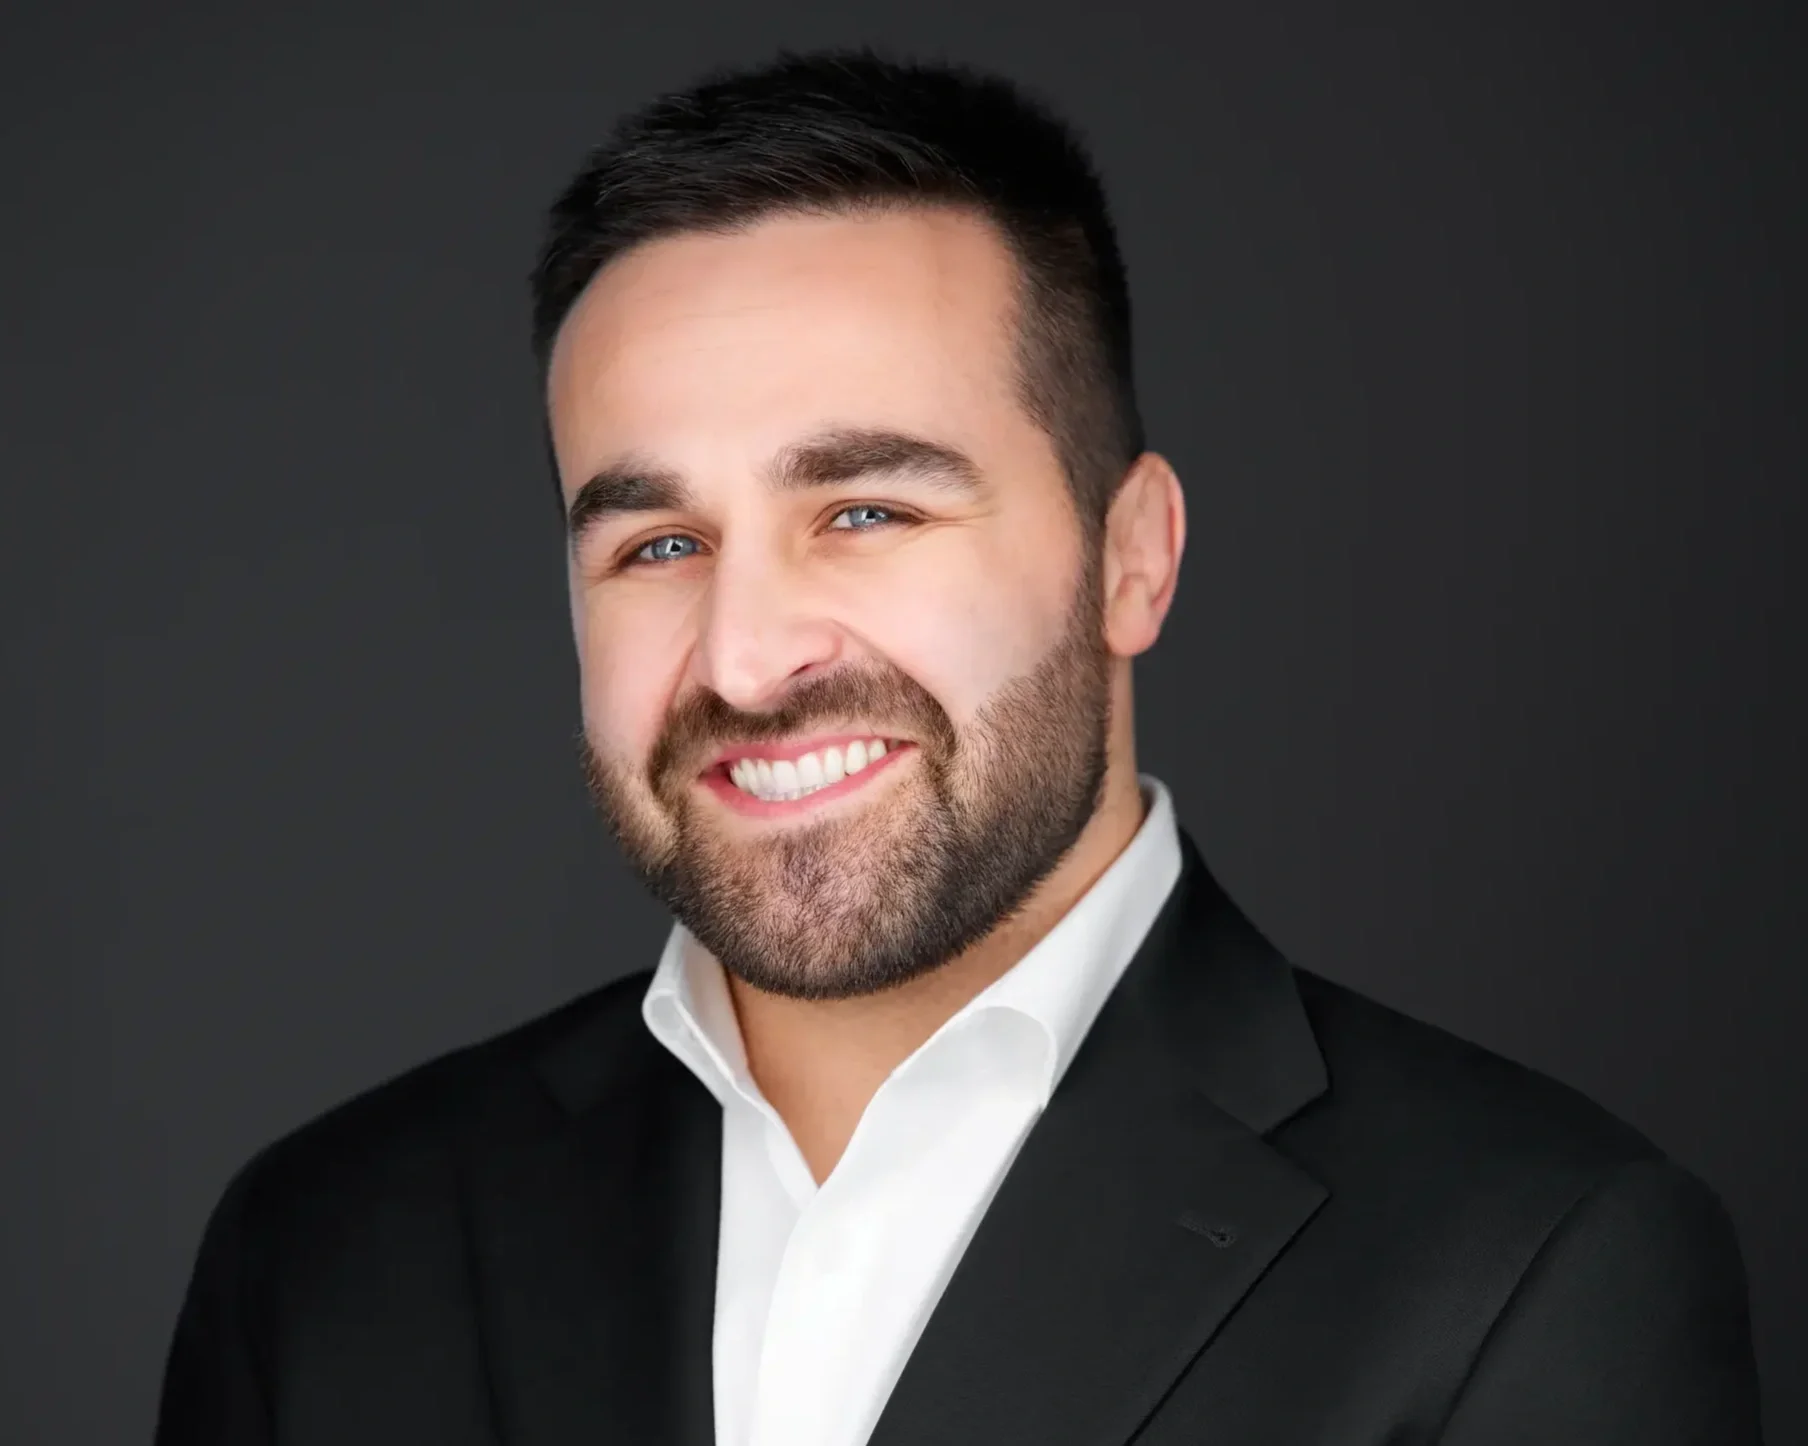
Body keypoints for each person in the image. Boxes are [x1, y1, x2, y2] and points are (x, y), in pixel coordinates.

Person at [155, 47, 1763, 1446]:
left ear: (1132, 556)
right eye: (654, 544)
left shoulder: (1535, 1267)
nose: (746, 652)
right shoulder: (326, 1250)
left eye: (865, 510)